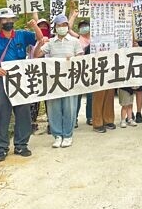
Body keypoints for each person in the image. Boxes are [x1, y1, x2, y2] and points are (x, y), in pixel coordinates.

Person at [0, 8, 43, 161]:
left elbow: (40, 39)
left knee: (23, 112)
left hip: (21, 79)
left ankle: (21, 145)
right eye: (4, 19)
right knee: (2, 112)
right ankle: (1, 148)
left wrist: (34, 25)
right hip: (4, 79)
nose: (8, 22)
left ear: (14, 20)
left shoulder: (22, 35)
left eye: (10, 19)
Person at [35, 14, 83, 148]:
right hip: (53, 80)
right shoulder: (51, 42)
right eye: (59, 25)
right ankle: (57, 135)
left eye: (64, 25)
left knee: (69, 108)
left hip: (69, 80)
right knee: (53, 108)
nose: (62, 27)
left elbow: (81, 59)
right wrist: (41, 43)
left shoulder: (74, 41)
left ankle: (68, 135)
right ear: (55, 27)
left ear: (68, 26)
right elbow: (37, 55)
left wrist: (72, 60)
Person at [69, 10, 93, 126]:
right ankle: (74, 118)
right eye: (81, 26)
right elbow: (68, 29)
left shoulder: (95, 37)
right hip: (79, 69)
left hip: (92, 69)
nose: (84, 28)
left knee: (91, 95)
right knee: (77, 96)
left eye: (86, 26)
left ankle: (90, 117)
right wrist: (73, 16)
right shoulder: (78, 38)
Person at [28, 18, 52, 133]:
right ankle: (32, 122)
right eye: (40, 26)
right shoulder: (31, 41)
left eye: (45, 26)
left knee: (49, 100)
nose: (43, 28)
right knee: (34, 100)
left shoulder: (51, 41)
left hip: (48, 74)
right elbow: (33, 55)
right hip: (34, 73)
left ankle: (51, 123)